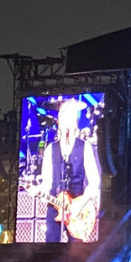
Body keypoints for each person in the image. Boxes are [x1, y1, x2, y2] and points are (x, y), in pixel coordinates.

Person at [31, 99, 101, 242]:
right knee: (51, 243)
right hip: (55, 207)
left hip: (78, 209)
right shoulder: (51, 148)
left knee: (75, 252)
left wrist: (80, 204)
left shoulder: (85, 147)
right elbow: (47, 182)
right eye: (64, 122)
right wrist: (37, 191)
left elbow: (94, 181)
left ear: (76, 125)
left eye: (71, 122)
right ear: (59, 125)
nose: (67, 127)